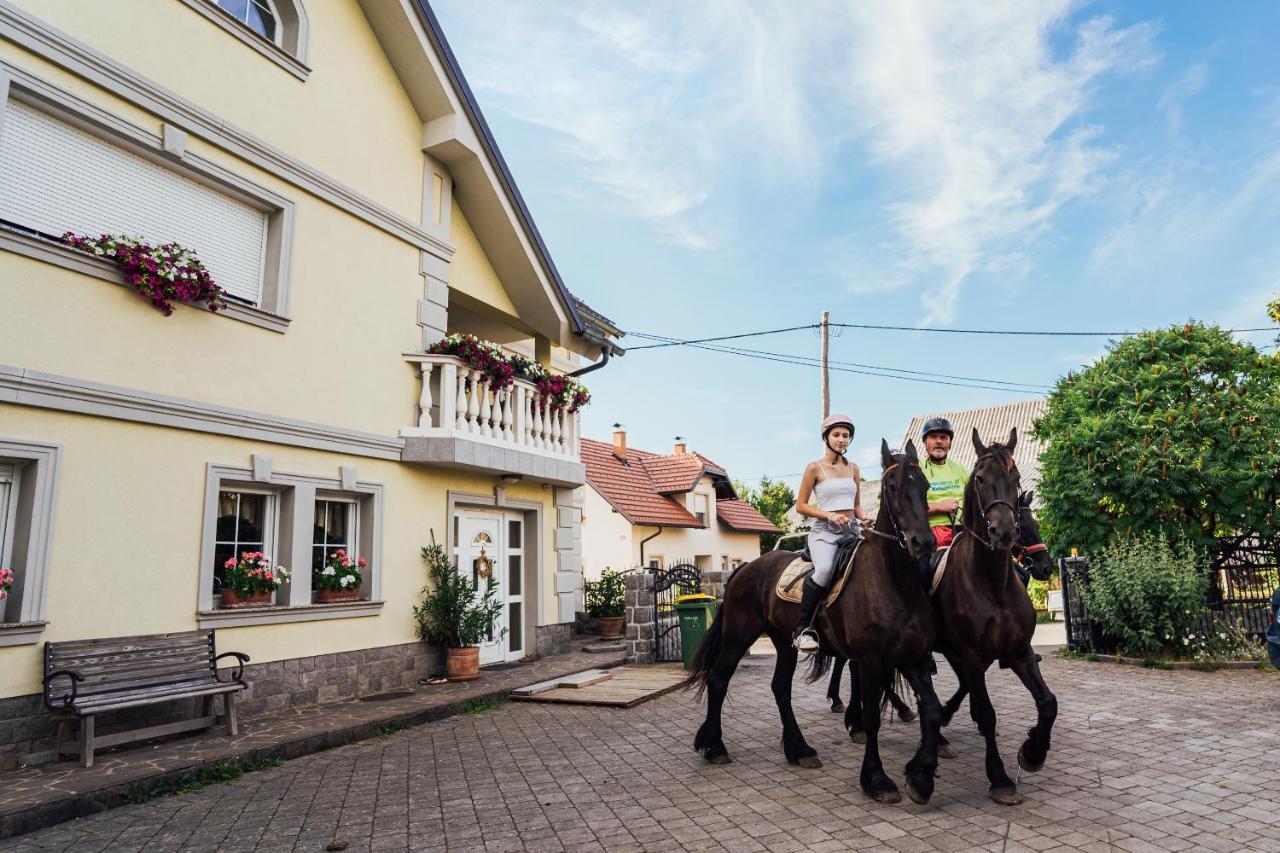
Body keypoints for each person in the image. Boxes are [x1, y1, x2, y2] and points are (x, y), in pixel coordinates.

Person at [791, 413, 866, 654]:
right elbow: (800, 505)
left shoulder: (854, 468)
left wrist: (864, 517)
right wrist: (830, 515)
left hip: (851, 530)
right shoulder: (814, 467)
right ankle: (802, 630)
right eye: (836, 435)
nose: (841, 440)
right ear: (826, 437)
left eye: (846, 435)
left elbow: (856, 505)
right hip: (824, 532)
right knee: (824, 570)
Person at [920, 416, 969, 548]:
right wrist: (938, 506)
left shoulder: (961, 469)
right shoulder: (915, 469)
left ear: (950, 444)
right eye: (933, 437)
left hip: (964, 532)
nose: (939, 441)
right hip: (929, 532)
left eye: (943, 437)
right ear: (925, 442)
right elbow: (904, 507)